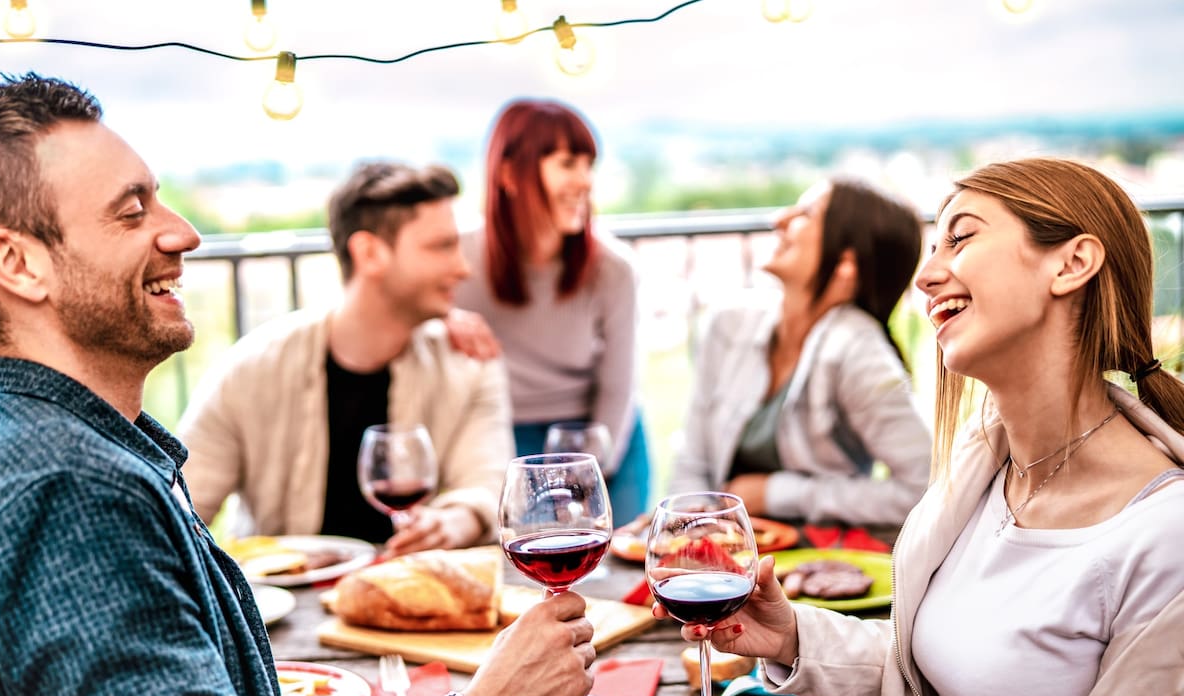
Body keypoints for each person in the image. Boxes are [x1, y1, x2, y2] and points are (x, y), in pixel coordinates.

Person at [0, 73, 596, 696]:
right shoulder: (71, 489)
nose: (183, 232)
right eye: (130, 211)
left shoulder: (70, 448)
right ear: (17, 264)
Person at [662, 158, 1184, 696]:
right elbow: (953, 665)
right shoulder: (986, 469)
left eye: (960, 238)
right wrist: (793, 635)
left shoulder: (1165, 540)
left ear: (1071, 264)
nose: (927, 275)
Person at [178, 160, 516, 556]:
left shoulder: (471, 362)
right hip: (282, 608)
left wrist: (455, 521)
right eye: (441, 246)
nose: (463, 267)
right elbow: (179, 508)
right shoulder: (251, 368)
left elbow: (487, 483)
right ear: (370, 252)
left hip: (415, 602)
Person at [668, 178, 932, 528]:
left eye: (806, 213)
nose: (780, 219)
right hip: (720, 554)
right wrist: (695, 527)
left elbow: (925, 490)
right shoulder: (728, 322)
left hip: (818, 562)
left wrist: (779, 493)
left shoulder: (860, 354)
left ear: (845, 264)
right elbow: (692, 459)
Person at [451, 97, 652, 527]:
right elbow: (405, 311)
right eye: (566, 163)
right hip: (500, 438)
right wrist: (441, 317)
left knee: (611, 576)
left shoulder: (612, 269)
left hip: (597, 439)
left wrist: (583, 477)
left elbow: (619, 390)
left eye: (588, 165)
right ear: (508, 173)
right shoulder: (459, 259)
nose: (585, 182)